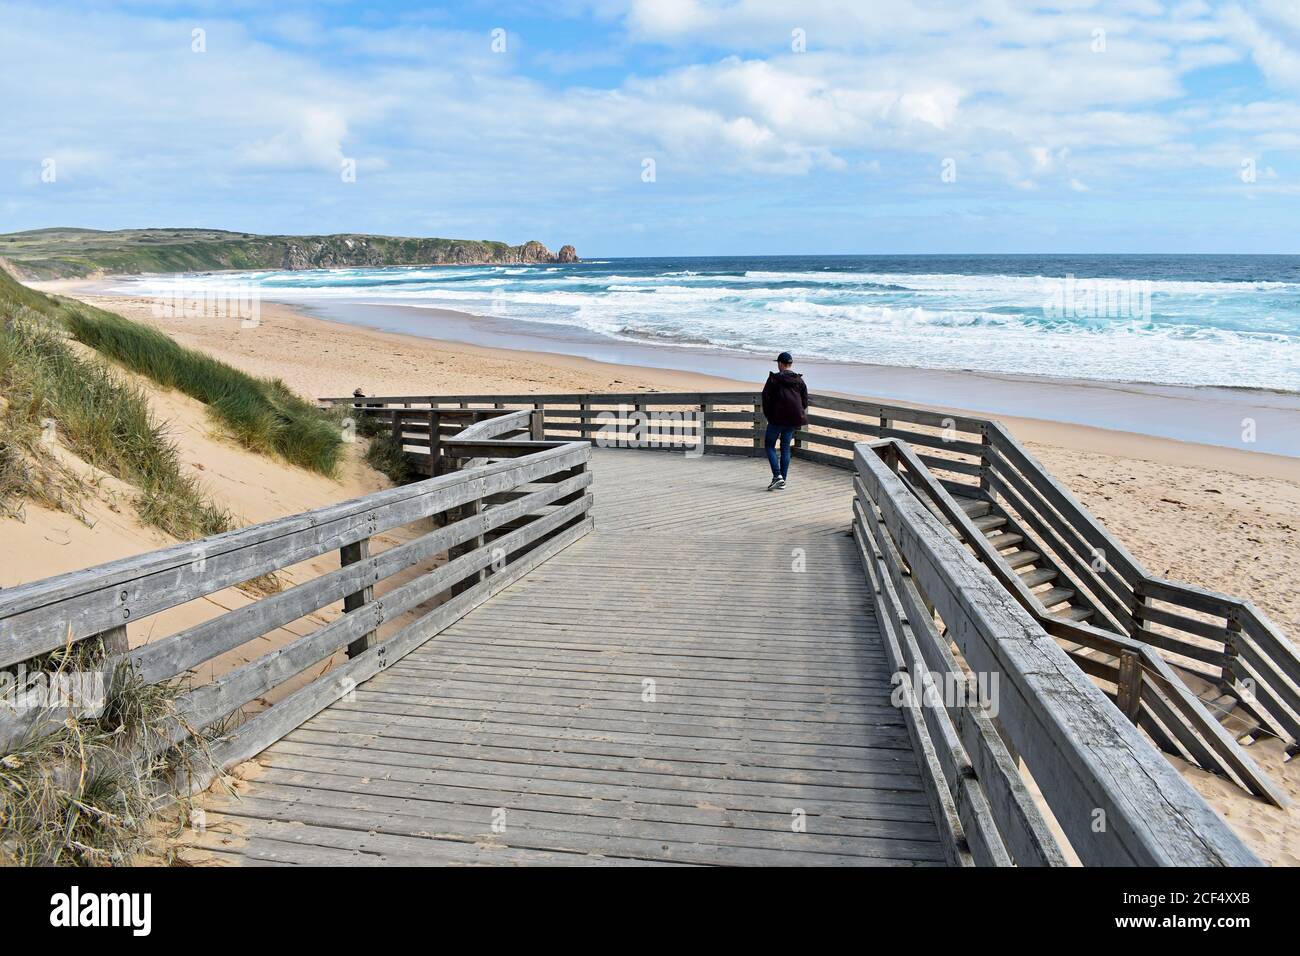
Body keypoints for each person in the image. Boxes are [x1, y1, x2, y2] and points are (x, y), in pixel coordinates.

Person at [760, 351, 808, 490]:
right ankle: (782, 480)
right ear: (791, 364)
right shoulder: (799, 380)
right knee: (785, 447)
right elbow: (804, 401)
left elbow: (765, 398)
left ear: (780, 364)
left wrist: (769, 415)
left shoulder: (774, 379)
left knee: (769, 445)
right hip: (793, 420)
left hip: (776, 419)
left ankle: (777, 477)